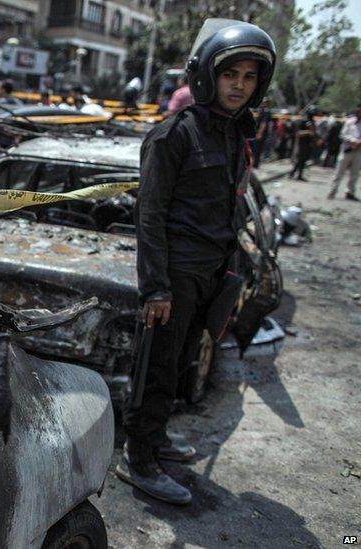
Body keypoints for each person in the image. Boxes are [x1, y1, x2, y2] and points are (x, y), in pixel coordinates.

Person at [118, 20, 276, 506]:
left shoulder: (234, 135)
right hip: (175, 276)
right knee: (157, 369)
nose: (240, 86)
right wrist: (156, 289)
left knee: (183, 363)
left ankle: (158, 438)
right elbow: (150, 214)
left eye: (250, 77)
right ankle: (138, 459)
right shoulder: (174, 135)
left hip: (210, 272)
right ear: (209, 75)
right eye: (232, 75)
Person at [328, 103, 361, 200]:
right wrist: (353, 141)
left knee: (354, 174)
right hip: (347, 150)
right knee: (338, 172)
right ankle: (332, 191)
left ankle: (350, 192)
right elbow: (342, 135)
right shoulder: (349, 122)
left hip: (358, 152)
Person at [290, 110, 318, 180]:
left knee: (303, 160)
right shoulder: (302, 122)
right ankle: (293, 173)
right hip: (302, 144)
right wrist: (309, 131)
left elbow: (313, 134)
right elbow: (299, 133)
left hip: (308, 144)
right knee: (300, 160)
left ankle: (298, 175)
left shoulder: (310, 123)